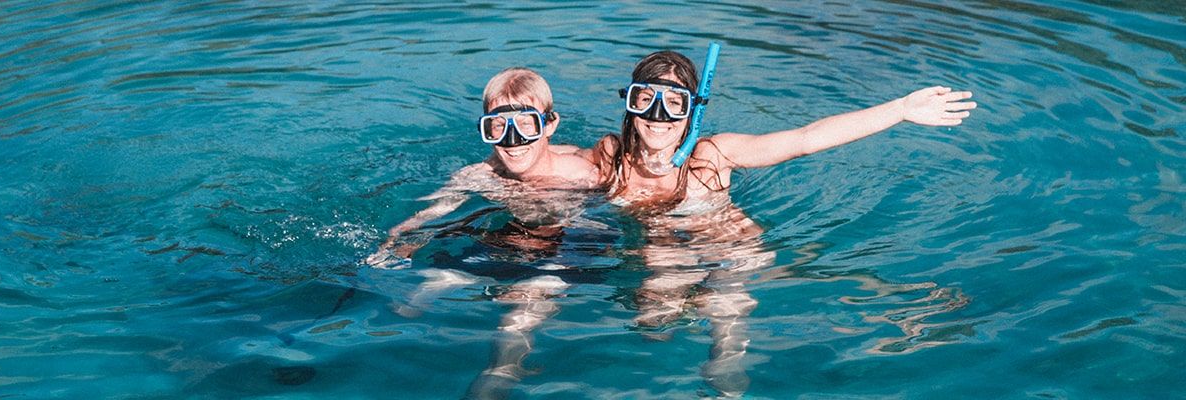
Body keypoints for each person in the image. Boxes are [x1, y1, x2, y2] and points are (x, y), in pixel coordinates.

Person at [578, 50, 976, 397]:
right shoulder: (612, 158)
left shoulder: (713, 155)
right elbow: (551, 165)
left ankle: (726, 390)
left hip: (731, 256)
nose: (658, 116)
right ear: (629, 105)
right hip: (666, 255)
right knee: (652, 325)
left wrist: (901, 109)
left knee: (725, 319)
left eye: (674, 104)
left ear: (693, 111)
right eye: (646, 100)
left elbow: (805, 138)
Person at [367, 67, 599, 400]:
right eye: (498, 127)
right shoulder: (480, 176)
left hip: (570, 242)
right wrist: (398, 245)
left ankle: (501, 373)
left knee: (521, 314)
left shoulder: (581, 174)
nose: (512, 140)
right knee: (417, 296)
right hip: (511, 237)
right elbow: (425, 217)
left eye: (526, 124)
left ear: (549, 124)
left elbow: (598, 227)